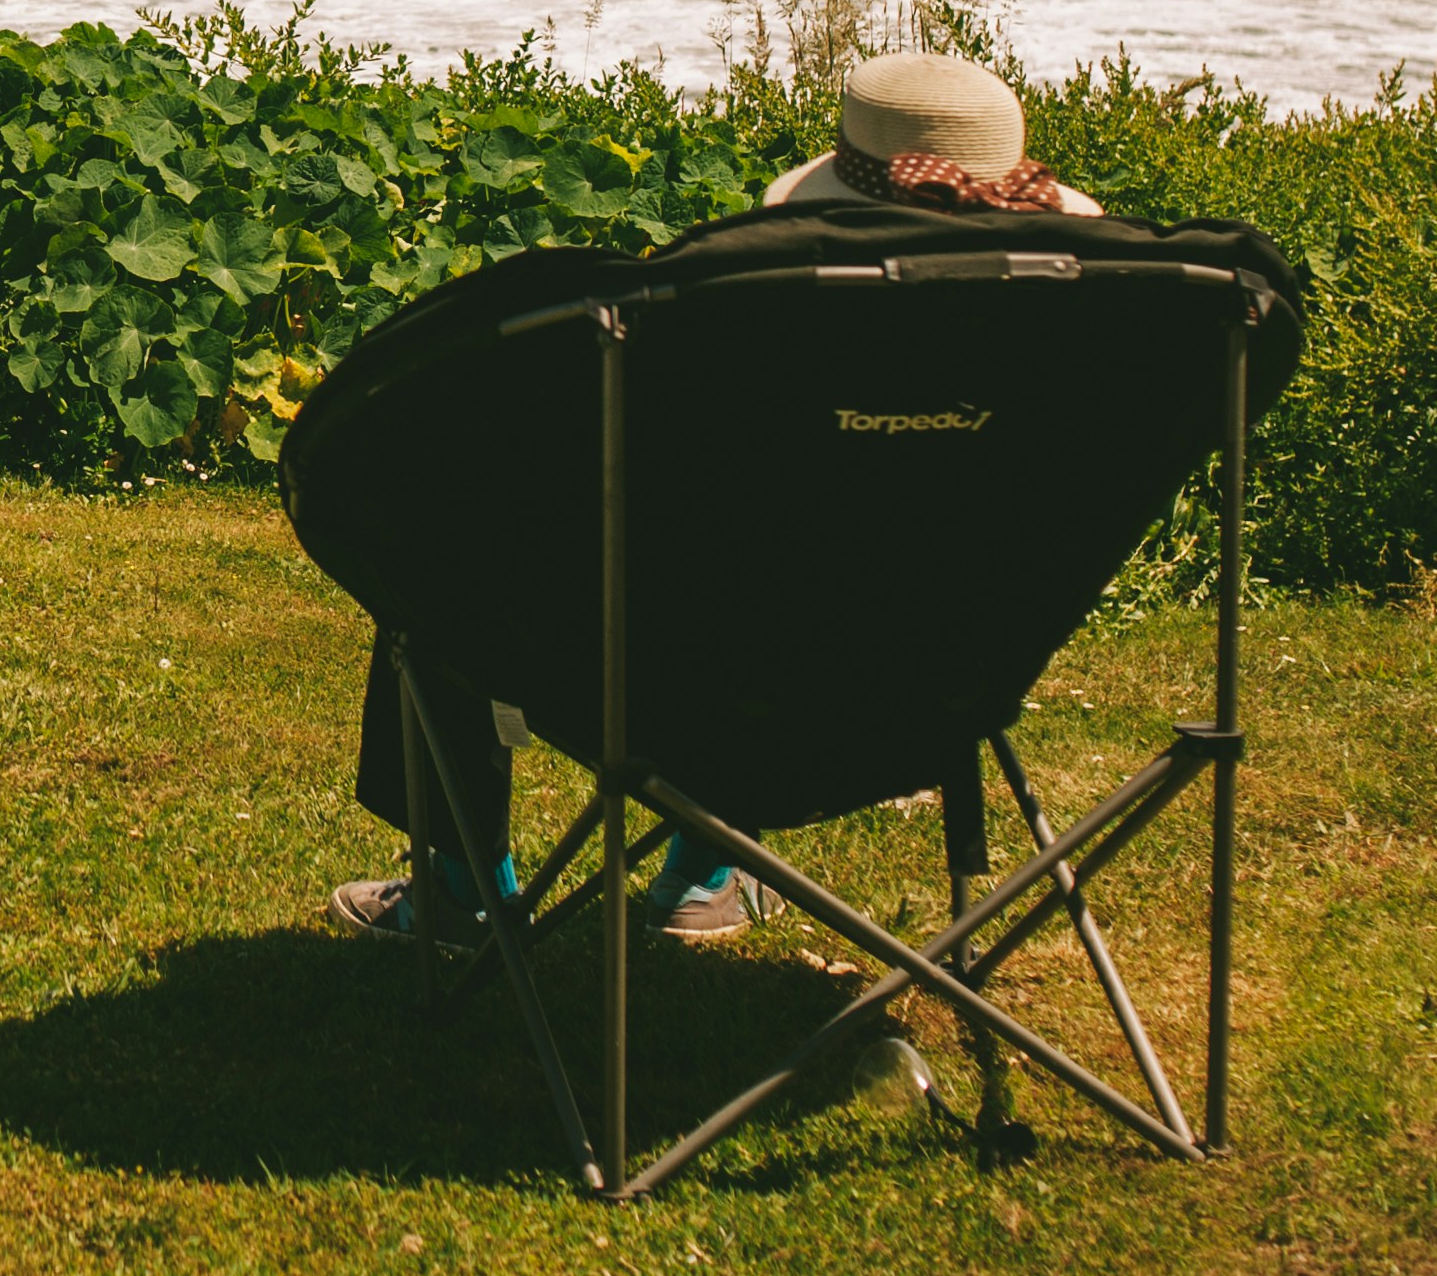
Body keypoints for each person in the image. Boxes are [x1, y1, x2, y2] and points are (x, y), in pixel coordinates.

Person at [330, 49, 1094, 945]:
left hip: (694, 693)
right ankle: (702, 874)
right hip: (937, 689)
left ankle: (464, 888)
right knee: (791, 591)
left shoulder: (749, 330)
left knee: (441, 547)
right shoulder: (1074, 361)